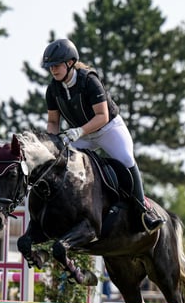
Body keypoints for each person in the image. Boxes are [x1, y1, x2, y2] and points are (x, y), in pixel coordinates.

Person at [41, 38, 164, 234]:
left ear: (70, 62)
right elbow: (53, 122)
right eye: (50, 67)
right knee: (62, 164)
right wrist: (51, 143)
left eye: (56, 65)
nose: (53, 70)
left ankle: (144, 209)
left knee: (125, 158)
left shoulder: (89, 81)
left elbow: (102, 116)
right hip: (80, 134)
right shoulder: (53, 89)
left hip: (107, 128)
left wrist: (79, 131)